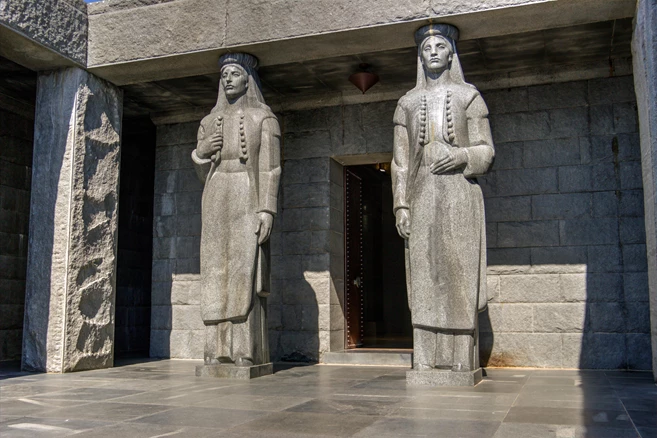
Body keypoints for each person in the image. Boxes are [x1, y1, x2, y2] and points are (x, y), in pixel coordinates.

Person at [392, 24, 495, 372]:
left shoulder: (469, 96)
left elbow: (487, 152)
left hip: (459, 194)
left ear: (451, 53)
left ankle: (460, 360)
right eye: (426, 48)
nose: (433, 51)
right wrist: (401, 204)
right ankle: (426, 359)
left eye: (440, 46)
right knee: (426, 276)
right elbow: (400, 162)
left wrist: (461, 156)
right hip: (421, 197)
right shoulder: (406, 103)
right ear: (419, 56)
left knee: (457, 275)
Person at [192, 53, 281, 367]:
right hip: (216, 192)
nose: (228, 79)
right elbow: (202, 169)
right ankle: (215, 349)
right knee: (215, 267)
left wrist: (266, 209)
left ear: (248, 79)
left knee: (244, 270)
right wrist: (201, 154)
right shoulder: (208, 121)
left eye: (234, 73)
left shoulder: (264, 118)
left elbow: (271, 168)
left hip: (247, 191)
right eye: (224, 75)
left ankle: (245, 350)